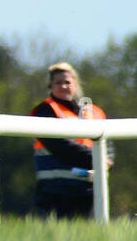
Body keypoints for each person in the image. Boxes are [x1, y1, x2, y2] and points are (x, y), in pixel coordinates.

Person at [31, 62, 111, 218]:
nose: (63, 86)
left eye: (67, 82)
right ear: (50, 86)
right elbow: (61, 146)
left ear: (75, 83)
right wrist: (97, 159)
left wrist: (108, 161)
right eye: (58, 83)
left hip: (88, 189)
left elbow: (108, 142)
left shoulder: (93, 112)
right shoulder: (46, 110)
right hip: (55, 190)